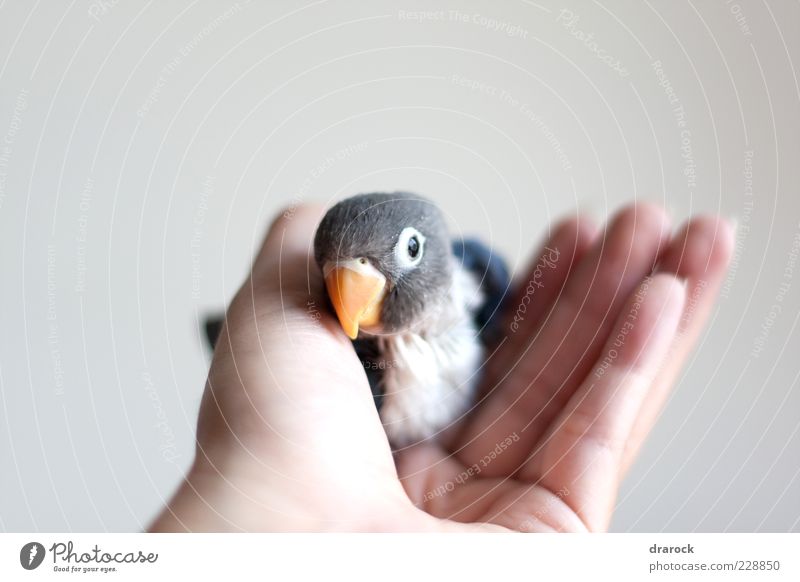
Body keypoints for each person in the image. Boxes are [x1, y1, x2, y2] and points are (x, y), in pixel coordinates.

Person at [149, 202, 733, 532]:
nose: (355, 288)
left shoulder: (473, 274)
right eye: (340, 271)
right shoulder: (365, 361)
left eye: (403, 253)